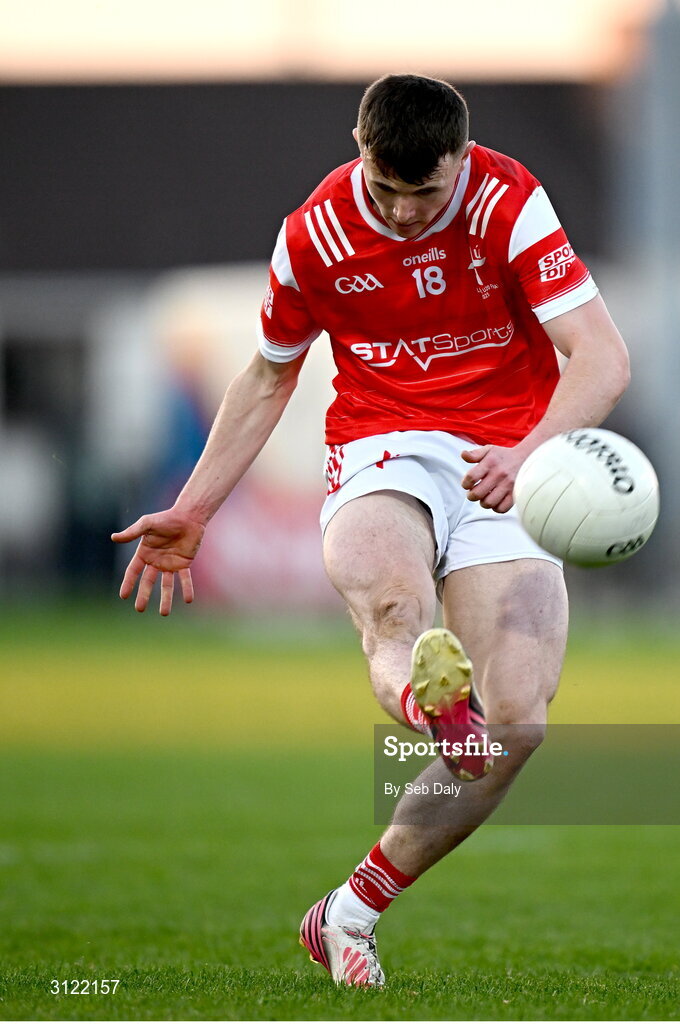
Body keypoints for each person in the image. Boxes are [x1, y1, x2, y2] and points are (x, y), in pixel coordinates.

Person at [112, 73, 630, 988]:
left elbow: (601, 356)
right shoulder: (313, 232)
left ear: (461, 162)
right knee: (396, 607)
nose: (397, 210)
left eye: (422, 192)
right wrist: (192, 511)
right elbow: (267, 378)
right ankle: (426, 696)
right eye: (382, 186)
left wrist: (527, 448)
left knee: (516, 723)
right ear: (358, 147)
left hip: (502, 456)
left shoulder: (508, 201)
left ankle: (348, 911)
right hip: (381, 444)